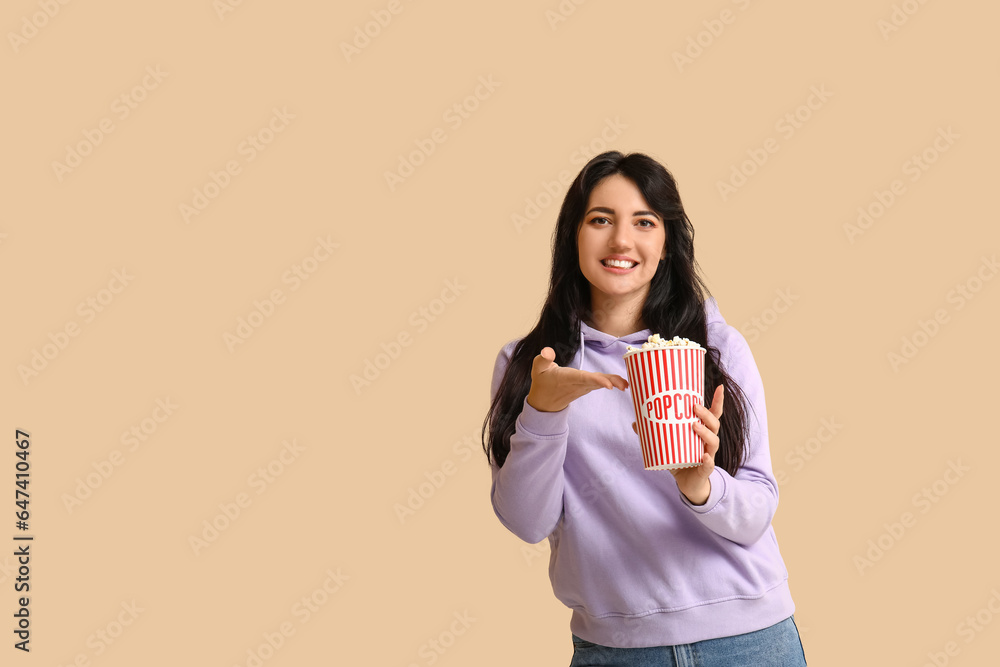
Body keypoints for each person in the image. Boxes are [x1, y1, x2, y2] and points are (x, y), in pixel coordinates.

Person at [481, 151, 807, 666]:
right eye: (600, 220)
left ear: (666, 243)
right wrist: (542, 413)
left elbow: (758, 508)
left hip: (750, 641)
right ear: (574, 235)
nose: (621, 241)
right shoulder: (532, 364)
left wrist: (701, 486)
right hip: (616, 652)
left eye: (644, 222)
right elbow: (527, 521)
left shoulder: (715, 347)